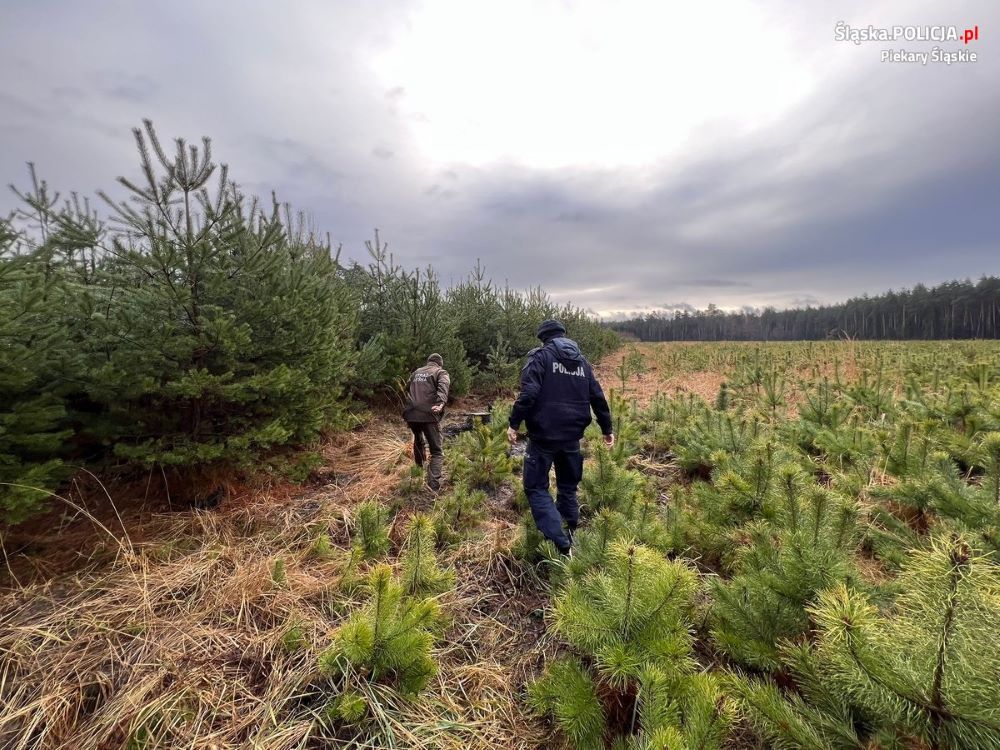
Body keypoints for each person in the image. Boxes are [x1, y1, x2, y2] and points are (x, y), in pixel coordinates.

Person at [507, 320, 613, 555]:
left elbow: (529, 393)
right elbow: (597, 396)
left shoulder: (541, 358)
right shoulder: (582, 362)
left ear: (543, 337)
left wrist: (514, 423)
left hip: (543, 437)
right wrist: (607, 428)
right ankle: (569, 530)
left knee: (535, 487)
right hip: (572, 436)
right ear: (563, 335)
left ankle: (561, 543)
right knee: (567, 486)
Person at [403, 353, 451, 491]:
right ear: (440, 363)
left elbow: (407, 388)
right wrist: (440, 402)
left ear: (428, 362)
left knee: (418, 441)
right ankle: (433, 486)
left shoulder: (416, 372)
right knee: (436, 451)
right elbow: (444, 387)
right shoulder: (441, 372)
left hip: (411, 414)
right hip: (429, 414)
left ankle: (418, 473)